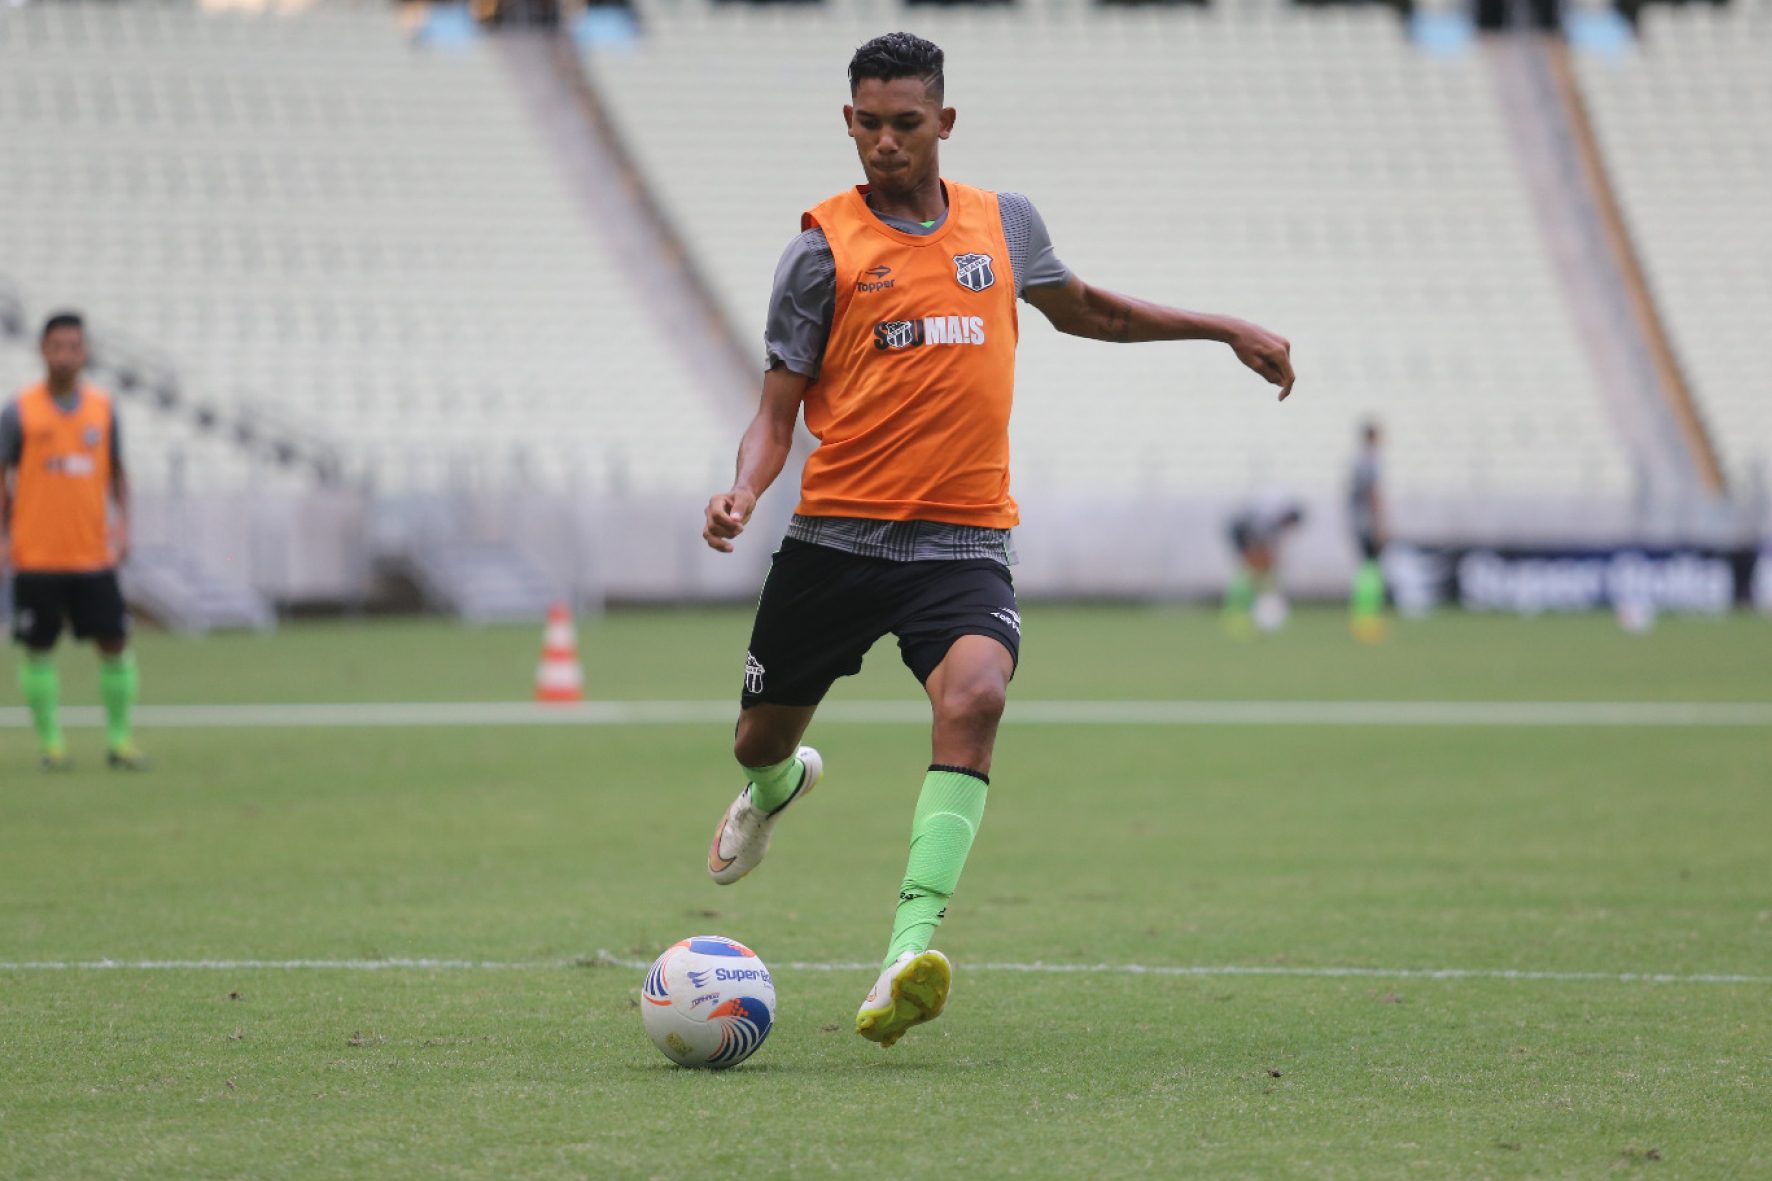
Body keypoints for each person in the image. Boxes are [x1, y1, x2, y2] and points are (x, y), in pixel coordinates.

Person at [700, 33, 1294, 1048]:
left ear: (943, 121)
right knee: (759, 736)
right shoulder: (818, 252)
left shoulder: (1001, 224)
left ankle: (906, 946)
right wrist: (745, 488)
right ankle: (775, 784)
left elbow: (1091, 313)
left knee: (974, 696)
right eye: (868, 124)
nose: (885, 142)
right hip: (834, 541)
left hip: (962, 538)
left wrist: (1220, 326)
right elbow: (776, 408)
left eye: (906, 123)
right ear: (848, 123)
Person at [1, 312, 146, 770]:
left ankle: (120, 743)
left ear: (85, 353)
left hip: (92, 555)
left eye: (73, 346)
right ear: (43, 351)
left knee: (115, 642)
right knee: (38, 648)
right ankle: (52, 747)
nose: (65, 355)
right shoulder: (19, 410)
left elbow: (118, 474)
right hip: (36, 554)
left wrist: (123, 526)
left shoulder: (103, 409)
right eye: (57, 346)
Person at [1222, 494, 1306, 637]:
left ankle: (1248, 609)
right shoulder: (1268, 523)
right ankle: (1238, 612)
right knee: (1249, 570)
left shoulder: (1274, 522)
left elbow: (1270, 547)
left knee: (1254, 570)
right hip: (1240, 533)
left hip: (1244, 533)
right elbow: (1259, 543)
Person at [1348, 420, 1387, 641]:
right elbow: (1374, 496)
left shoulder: (1357, 462)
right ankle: (1369, 619)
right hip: (1368, 523)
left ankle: (1361, 618)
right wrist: (1380, 525)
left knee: (1364, 567)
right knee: (1372, 569)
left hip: (1357, 522)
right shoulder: (1370, 463)